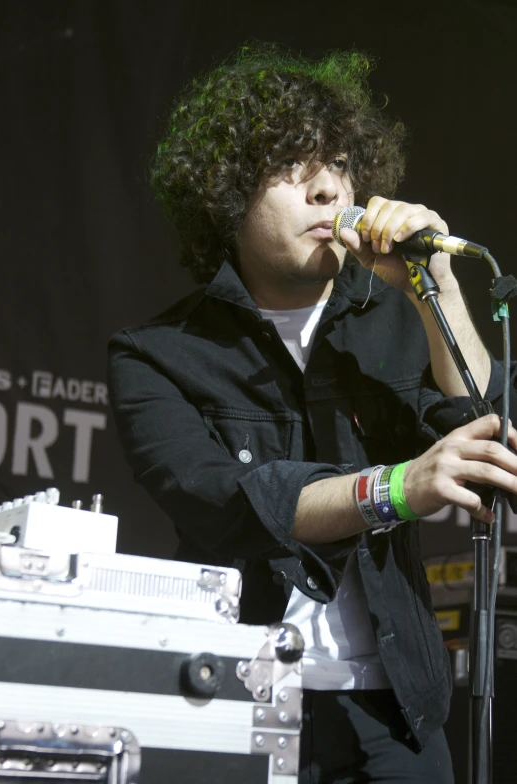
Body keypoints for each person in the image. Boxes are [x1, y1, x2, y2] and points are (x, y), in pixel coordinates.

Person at [107, 45, 517, 783]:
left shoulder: (399, 318)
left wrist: (438, 290)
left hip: (395, 714)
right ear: (227, 194)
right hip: (227, 699)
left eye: (340, 165)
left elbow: (482, 430)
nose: (329, 189)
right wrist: (394, 487)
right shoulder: (158, 355)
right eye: (295, 169)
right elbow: (224, 504)